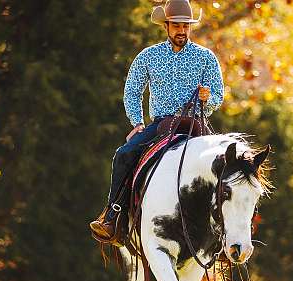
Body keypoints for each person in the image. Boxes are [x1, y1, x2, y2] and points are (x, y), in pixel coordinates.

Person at [90, 0, 224, 243]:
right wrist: (137, 122)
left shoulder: (206, 57)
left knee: (225, 165)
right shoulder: (148, 56)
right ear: (166, 26)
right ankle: (113, 216)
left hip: (195, 123)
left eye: (186, 26)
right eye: (176, 26)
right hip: (161, 125)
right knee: (124, 154)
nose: (182, 31)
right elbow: (132, 90)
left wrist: (208, 97)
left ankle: (225, 235)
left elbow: (218, 96)